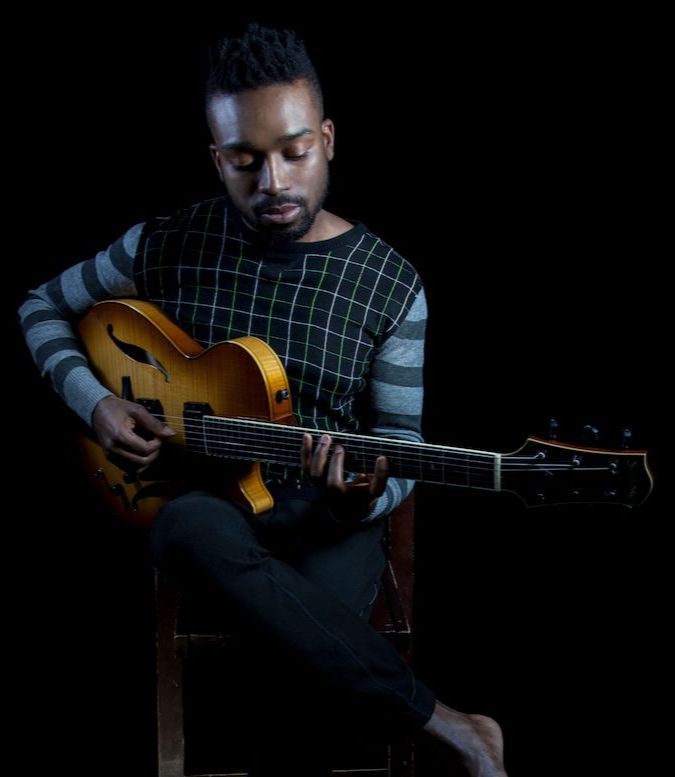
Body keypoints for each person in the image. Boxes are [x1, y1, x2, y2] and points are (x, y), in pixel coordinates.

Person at [19, 23, 507, 777]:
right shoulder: (167, 243)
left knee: (296, 699)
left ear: (329, 140)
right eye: (244, 160)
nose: (272, 181)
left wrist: (361, 495)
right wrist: (95, 403)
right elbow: (41, 305)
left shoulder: (390, 283)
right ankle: (451, 727)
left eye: (293, 151)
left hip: (322, 521)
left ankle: (454, 729)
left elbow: (400, 448)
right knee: (186, 529)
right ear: (217, 158)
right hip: (205, 502)